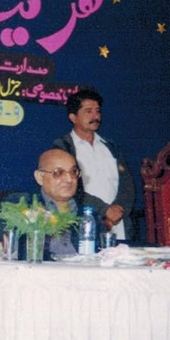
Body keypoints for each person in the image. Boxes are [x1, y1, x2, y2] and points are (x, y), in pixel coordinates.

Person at [52, 87, 136, 241]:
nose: (95, 116)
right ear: (73, 117)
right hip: (82, 224)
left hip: (118, 224)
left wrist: (116, 212)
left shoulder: (110, 146)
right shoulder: (63, 147)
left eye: (97, 111)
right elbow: (70, 189)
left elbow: (127, 185)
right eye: (88, 111)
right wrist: (104, 211)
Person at [0, 148, 108, 260]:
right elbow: (7, 250)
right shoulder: (21, 206)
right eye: (58, 172)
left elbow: (103, 255)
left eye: (73, 171)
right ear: (40, 177)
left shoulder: (90, 216)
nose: (69, 179)